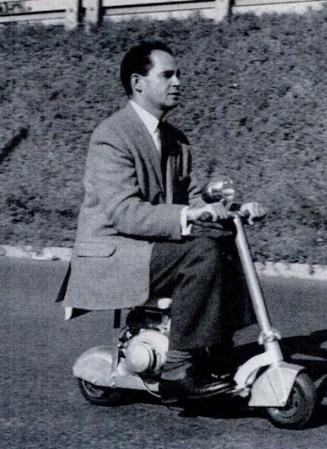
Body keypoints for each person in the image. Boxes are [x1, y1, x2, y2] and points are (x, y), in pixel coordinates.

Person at [57, 41, 265, 404]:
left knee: (223, 238)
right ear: (138, 83)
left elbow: (196, 197)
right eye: (167, 75)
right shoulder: (112, 136)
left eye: (179, 74)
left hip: (150, 247)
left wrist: (234, 209)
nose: (178, 82)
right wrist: (189, 215)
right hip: (114, 252)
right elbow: (125, 212)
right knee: (200, 252)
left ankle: (214, 348)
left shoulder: (176, 141)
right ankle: (176, 369)